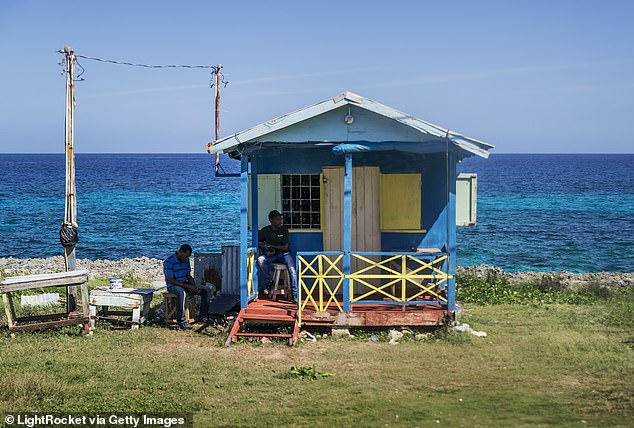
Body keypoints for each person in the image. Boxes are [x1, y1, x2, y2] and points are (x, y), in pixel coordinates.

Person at [163, 244, 210, 329]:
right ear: (180, 252)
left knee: (205, 291)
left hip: (185, 283)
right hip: (173, 285)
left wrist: (194, 286)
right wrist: (188, 286)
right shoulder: (169, 262)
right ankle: (181, 321)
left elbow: (188, 275)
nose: (186, 259)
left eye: (187, 257)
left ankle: (202, 316)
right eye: (185, 257)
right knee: (181, 293)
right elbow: (171, 280)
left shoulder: (186, 260)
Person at [257, 210, 298, 302]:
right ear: (271, 221)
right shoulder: (265, 231)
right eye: (278, 219)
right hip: (272, 255)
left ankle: (295, 294)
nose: (280, 221)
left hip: (284, 255)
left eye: (281, 219)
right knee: (260, 260)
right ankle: (269, 281)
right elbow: (256, 241)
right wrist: (263, 246)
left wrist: (271, 246)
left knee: (292, 271)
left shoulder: (284, 229)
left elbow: (285, 247)